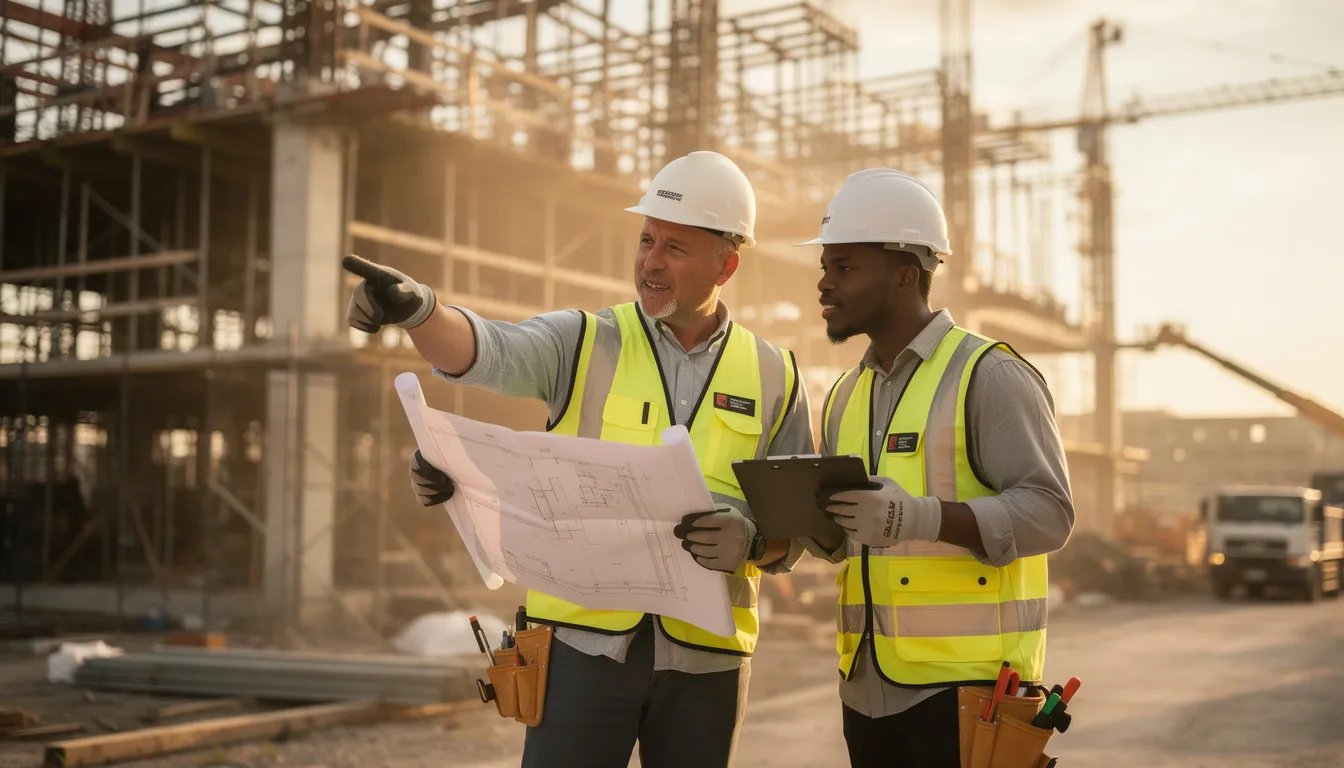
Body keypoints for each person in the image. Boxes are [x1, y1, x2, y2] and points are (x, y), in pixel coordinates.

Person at [343, 150, 814, 768]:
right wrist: (420, 310)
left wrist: (753, 542)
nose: (650, 260)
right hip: (582, 653)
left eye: (675, 246)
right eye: (647, 240)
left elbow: (797, 532)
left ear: (725, 265)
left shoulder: (775, 373)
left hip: (708, 663)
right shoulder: (586, 340)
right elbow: (490, 351)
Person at [799, 168, 1075, 768]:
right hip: (865, 688)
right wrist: (817, 529)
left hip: (969, 694)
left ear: (905, 275)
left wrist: (917, 517)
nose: (824, 284)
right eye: (825, 267)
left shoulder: (989, 375)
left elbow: (1049, 514)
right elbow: (859, 542)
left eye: (844, 267)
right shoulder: (845, 394)